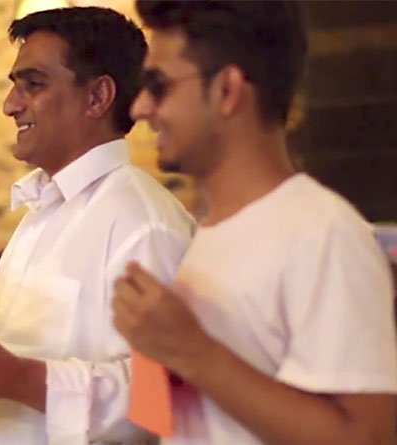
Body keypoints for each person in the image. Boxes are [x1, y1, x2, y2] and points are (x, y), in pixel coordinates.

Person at [0, 7, 194, 445]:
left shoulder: (145, 224)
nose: (10, 105)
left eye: (33, 84)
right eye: (14, 86)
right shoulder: (40, 211)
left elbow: (166, 399)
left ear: (97, 97)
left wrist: (22, 380)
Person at [112, 1, 397, 444]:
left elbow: (367, 436)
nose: (140, 108)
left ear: (227, 90)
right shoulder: (213, 229)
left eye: (158, 85)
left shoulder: (322, 234)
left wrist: (192, 351)